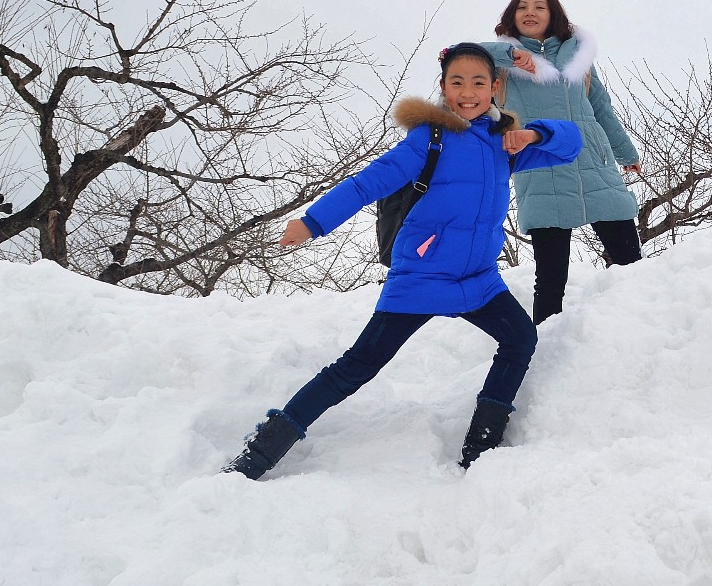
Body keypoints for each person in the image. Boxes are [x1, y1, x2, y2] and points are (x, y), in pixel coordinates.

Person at [223, 44, 583, 479]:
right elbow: (365, 185)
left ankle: (482, 444)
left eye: (478, 83)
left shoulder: (501, 143)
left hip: (479, 280)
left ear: (495, 87)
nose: (467, 92)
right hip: (423, 275)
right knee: (357, 366)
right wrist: (313, 222)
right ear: (444, 88)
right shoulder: (427, 140)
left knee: (520, 339)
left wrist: (534, 134)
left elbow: (571, 144)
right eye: (457, 83)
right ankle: (262, 450)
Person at [482, 0, 645, 324]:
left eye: (540, 7)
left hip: (594, 163)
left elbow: (601, 108)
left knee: (632, 265)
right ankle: (544, 354)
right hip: (542, 166)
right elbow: (454, 55)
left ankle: (640, 335)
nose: (531, 12)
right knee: (551, 280)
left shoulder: (579, 57)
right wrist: (510, 56)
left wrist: (624, 151)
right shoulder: (499, 62)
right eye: (523, 6)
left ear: (553, 14)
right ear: (512, 15)